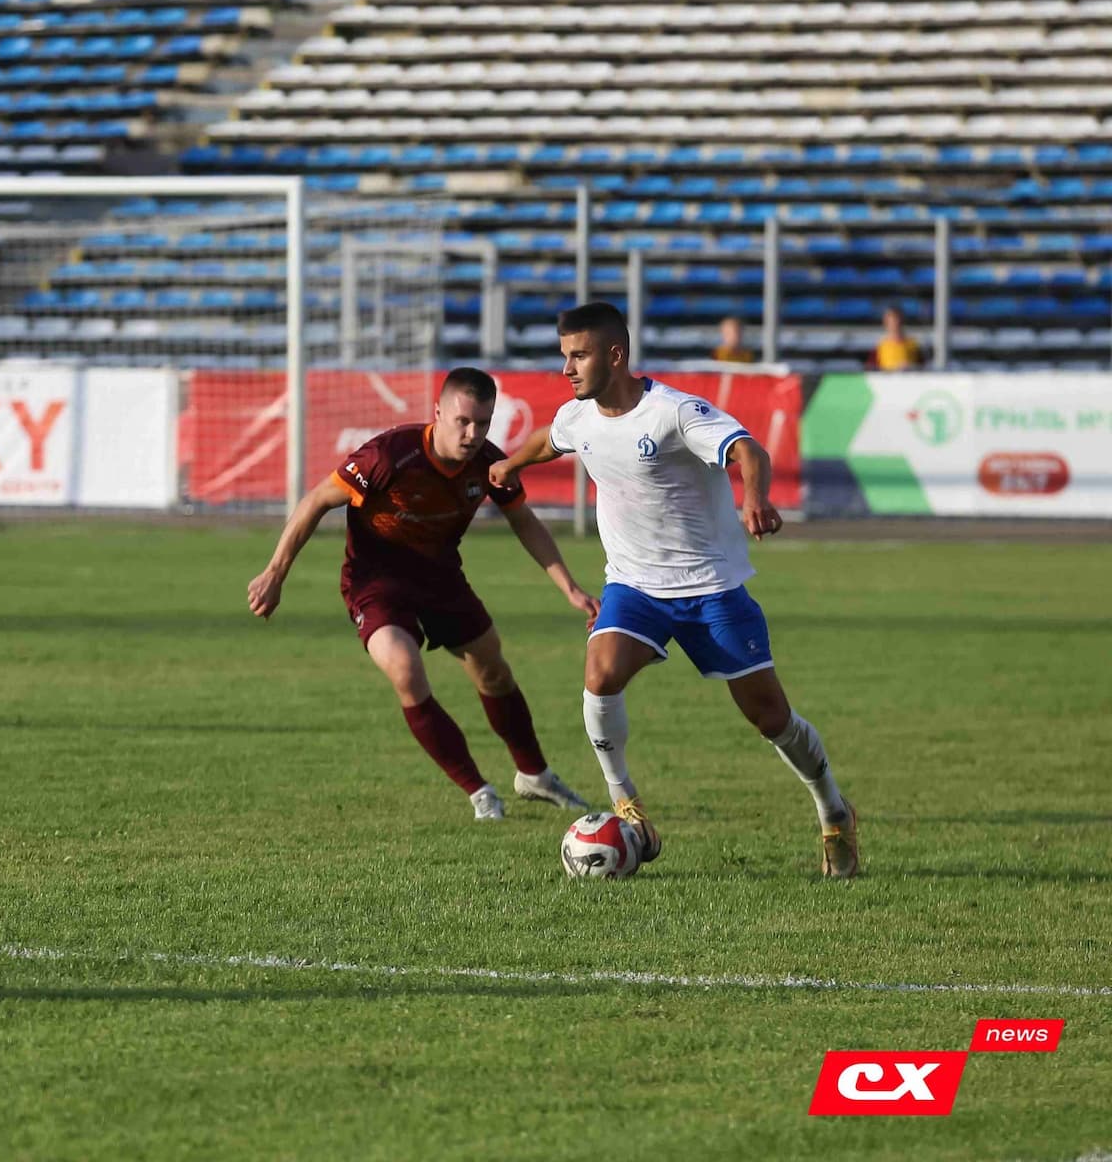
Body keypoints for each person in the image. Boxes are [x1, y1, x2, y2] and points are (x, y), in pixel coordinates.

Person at [491, 301, 858, 877]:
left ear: (615, 355)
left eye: (578, 355)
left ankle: (833, 808)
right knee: (599, 672)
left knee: (771, 719)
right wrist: (511, 465)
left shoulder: (674, 412)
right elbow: (551, 438)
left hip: (712, 588)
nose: (567, 368)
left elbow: (747, 449)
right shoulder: (580, 415)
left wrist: (754, 496)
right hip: (635, 585)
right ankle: (626, 805)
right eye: (563, 356)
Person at [247, 367, 597, 820]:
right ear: (438, 413)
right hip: (375, 583)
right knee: (404, 666)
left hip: (440, 579)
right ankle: (479, 791)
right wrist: (276, 571)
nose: (473, 434)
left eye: (483, 423)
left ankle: (534, 775)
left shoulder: (489, 464)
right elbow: (317, 500)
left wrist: (569, 587)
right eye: (463, 422)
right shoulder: (389, 456)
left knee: (493, 670)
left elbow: (523, 520)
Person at [869, 305, 924, 371]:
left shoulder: (913, 345)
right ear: (885, 322)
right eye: (892, 319)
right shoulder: (879, 346)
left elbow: (923, 368)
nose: (895, 323)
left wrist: (911, 367)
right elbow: (871, 370)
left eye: (897, 319)